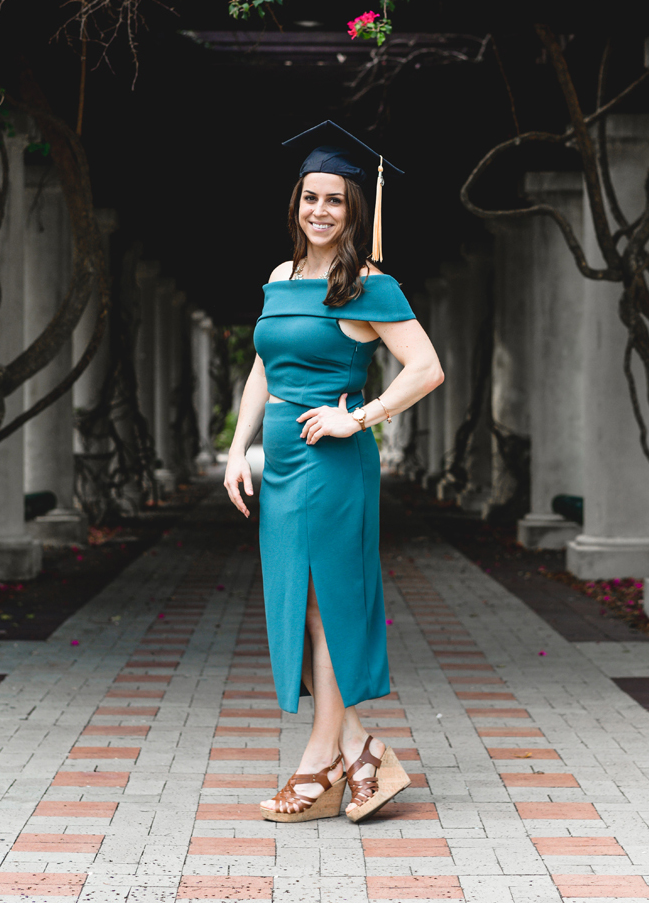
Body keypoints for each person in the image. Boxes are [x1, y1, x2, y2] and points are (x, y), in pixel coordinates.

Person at [223, 121, 444, 823]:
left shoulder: (368, 286)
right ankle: (363, 754)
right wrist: (236, 448)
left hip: (332, 458)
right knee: (307, 602)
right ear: (297, 203)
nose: (319, 211)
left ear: (354, 210)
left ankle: (321, 761)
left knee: (328, 602)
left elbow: (428, 368)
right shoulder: (281, 278)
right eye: (310, 198)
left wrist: (363, 414)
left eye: (335, 201)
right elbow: (264, 366)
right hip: (283, 456)